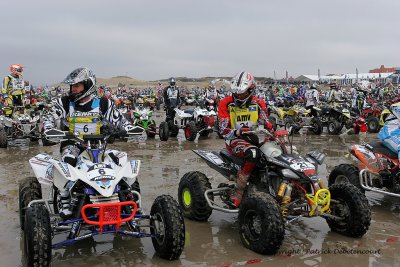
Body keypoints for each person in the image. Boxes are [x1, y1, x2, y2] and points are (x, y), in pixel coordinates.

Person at [53, 67, 132, 218]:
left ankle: (127, 197)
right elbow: (50, 118)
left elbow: (119, 120)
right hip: (73, 145)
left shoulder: (103, 103)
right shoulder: (64, 102)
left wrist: (128, 128)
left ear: (88, 85)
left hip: (99, 147)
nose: (73, 89)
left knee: (120, 162)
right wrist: (49, 128)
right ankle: (64, 199)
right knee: (67, 161)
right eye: (72, 86)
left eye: (77, 86)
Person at [218, 71, 273, 207]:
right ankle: (238, 192)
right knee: (254, 153)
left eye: (242, 93)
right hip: (234, 139)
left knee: (284, 150)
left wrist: (269, 126)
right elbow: (223, 130)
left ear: (251, 90)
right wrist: (239, 131)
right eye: (236, 93)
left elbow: (267, 123)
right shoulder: (225, 103)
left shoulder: (259, 103)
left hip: (257, 138)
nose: (239, 96)